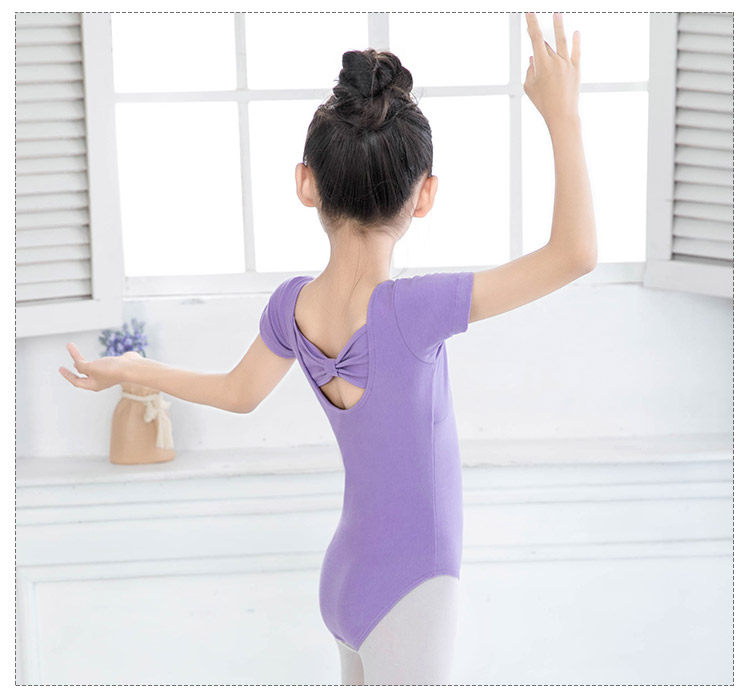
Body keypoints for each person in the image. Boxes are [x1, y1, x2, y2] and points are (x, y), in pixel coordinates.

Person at [59, 13, 596, 685]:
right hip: (413, 589)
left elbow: (238, 393)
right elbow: (575, 254)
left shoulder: (293, 306)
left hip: (345, 577)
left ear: (306, 182)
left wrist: (136, 369)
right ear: (424, 195)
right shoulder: (414, 311)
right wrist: (562, 116)